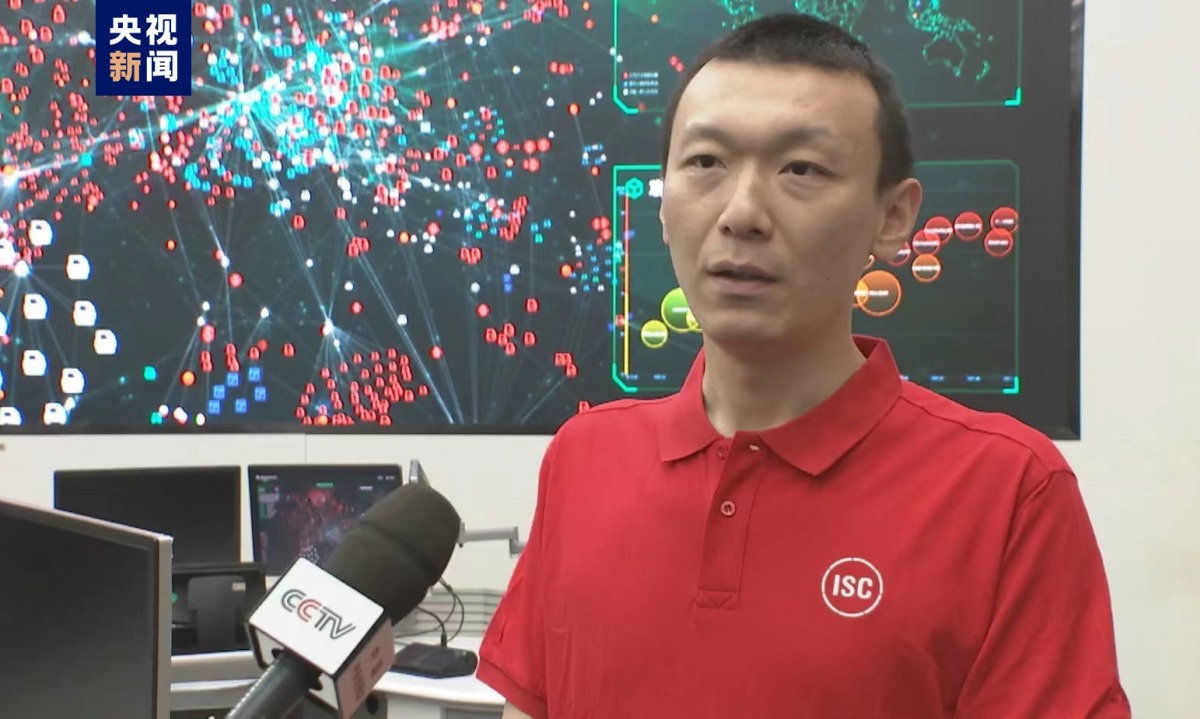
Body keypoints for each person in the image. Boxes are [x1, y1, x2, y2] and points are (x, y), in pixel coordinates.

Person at [477, 13, 1131, 718]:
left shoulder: (1007, 493)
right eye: (706, 163)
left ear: (893, 218)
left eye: (802, 169)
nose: (742, 213)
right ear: (662, 201)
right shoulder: (583, 457)